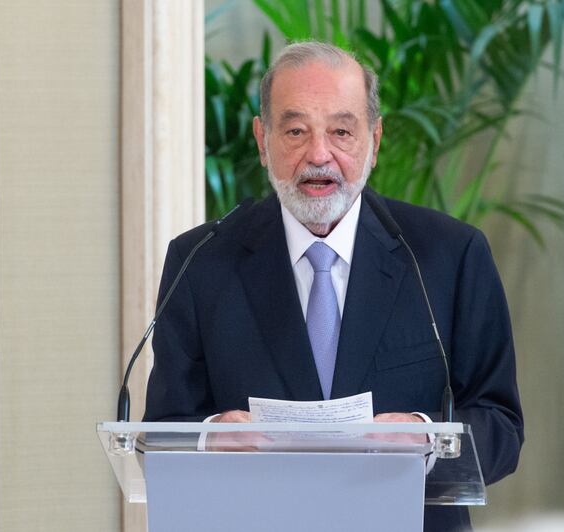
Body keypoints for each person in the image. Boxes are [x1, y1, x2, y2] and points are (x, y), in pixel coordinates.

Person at [144, 41, 524, 531]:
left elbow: (501, 425)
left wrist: (427, 438)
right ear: (262, 140)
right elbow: (162, 430)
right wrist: (209, 437)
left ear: (375, 140)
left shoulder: (449, 255)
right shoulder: (200, 261)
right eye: (296, 131)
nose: (319, 155)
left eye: (341, 131)